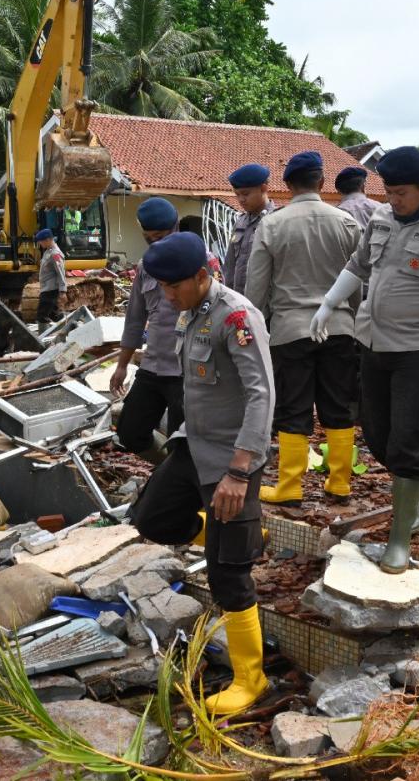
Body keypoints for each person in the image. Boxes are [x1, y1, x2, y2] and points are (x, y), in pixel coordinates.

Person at [309, 146, 419, 573]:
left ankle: (400, 540)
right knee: (378, 434)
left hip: (418, 351)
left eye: (401, 193)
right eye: (388, 191)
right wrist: (328, 304)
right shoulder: (381, 218)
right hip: (372, 344)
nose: (394, 200)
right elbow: (359, 263)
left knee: (407, 442)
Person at [128, 232, 274, 716]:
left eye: (175, 287)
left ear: (202, 275)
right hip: (195, 444)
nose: (168, 297)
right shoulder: (190, 311)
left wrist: (239, 471)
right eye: (162, 287)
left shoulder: (236, 317)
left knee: (227, 572)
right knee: (150, 518)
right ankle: (231, 532)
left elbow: (261, 396)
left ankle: (251, 679)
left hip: (234, 457)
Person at [244, 150, 362, 506]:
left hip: (290, 331)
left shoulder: (273, 224)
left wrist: (258, 326)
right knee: (339, 406)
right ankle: (340, 482)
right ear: (322, 183)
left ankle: (290, 487)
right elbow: (359, 280)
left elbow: (256, 287)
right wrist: (351, 319)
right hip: (339, 327)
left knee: (293, 408)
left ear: (287, 186)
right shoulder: (345, 223)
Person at [111, 198, 190, 463]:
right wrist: (122, 365)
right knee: (129, 434)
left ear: (175, 226)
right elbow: (134, 319)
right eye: (149, 239)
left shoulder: (199, 262)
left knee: (184, 441)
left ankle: (177, 478)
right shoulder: (146, 268)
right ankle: (168, 470)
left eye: (161, 237)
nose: (156, 244)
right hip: (154, 365)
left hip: (187, 370)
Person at [222, 163, 276, 290]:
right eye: (237, 194)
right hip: (238, 301)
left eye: (245, 194)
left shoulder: (275, 222)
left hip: (264, 302)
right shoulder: (240, 222)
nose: (241, 199)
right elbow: (229, 267)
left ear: (263, 188)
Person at [35, 228, 67, 325]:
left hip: (50, 289)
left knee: (41, 316)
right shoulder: (48, 251)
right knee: (54, 315)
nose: (40, 244)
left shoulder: (55, 254)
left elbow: (61, 272)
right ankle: (64, 326)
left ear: (48, 240)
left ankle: (42, 337)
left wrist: (63, 291)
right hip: (46, 288)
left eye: (41, 242)